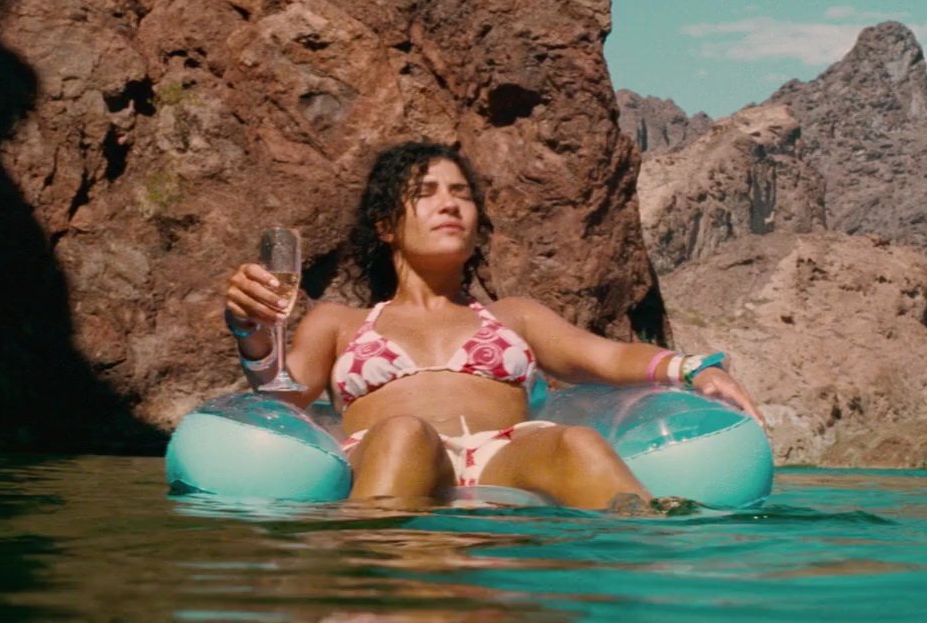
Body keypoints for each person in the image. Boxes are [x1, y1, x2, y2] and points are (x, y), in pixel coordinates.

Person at [222, 142, 764, 510]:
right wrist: (251, 329)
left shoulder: (514, 316)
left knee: (575, 441)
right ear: (385, 225)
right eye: (427, 192)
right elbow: (281, 396)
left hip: (505, 454)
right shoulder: (340, 322)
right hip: (390, 451)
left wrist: (693, 369)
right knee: (407, 433)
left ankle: (651, 574)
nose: (450, 205)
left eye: (461, 194)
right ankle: (375, 590)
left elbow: (605, 356)